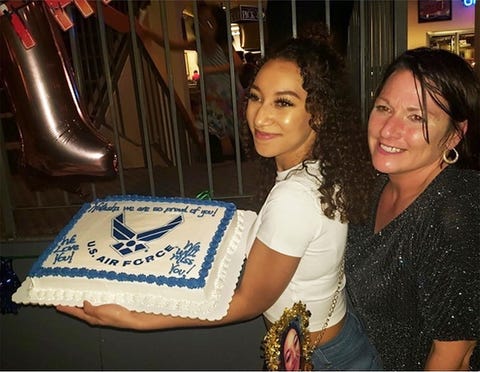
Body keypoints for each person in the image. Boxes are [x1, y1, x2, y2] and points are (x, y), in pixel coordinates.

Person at [57, 29, 382, 370]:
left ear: (319, 113)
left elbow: (245, 303)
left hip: (324, 360)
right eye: (256, 97)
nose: (260, 116)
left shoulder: (294, 197)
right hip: (328, 346)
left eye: (283, 102)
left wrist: (136, 318)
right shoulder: (320, 169)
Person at [345, 47, 480, 370]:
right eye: (383, 107)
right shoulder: (378, 181)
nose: (388, 130)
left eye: (416, 117)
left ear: (454, 136)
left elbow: (453, 356)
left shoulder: (454, 212)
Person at [137, 1, 243, 162]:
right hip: (211, 101)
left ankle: (238, 165)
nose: (204, 26)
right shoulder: (197, 44)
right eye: (200, 22)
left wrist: (209, 71)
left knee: (234, 135)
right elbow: (171, 44)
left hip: (227, 99)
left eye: (209, 22)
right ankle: (217, 168)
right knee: (210, 134)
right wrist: (148, 32)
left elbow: (238, 64)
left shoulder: (223, 45)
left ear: (217, 25)